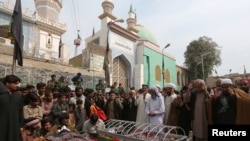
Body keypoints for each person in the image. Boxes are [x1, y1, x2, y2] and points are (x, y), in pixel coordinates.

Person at [0, 75, 23, 141]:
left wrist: (21, 125)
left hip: (15, 125)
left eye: (18, 83)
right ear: (7, 83)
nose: (17, 85)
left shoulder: (18, 97)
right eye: (15, 83)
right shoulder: (1, 96)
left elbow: (20, 112)